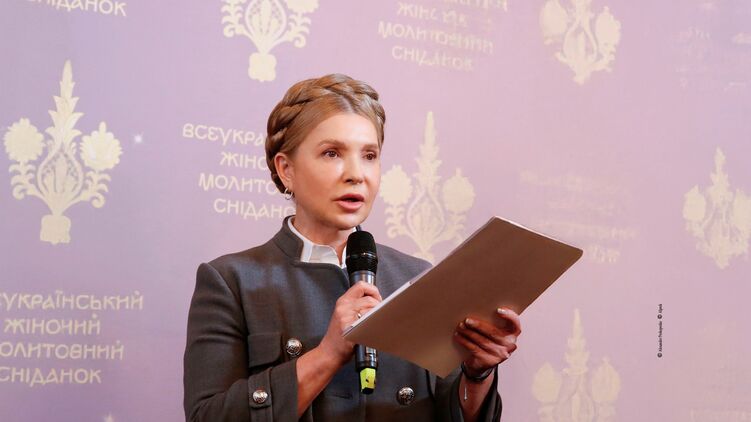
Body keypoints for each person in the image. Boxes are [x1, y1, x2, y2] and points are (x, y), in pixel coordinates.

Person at [183, 74, 522, 421]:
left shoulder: (418, 277)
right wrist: (328, 353)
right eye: (332, 153)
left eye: (369, 155)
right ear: (286, 170)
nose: (356, 174)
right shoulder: (231, 281)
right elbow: (208, 416)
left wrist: (477, 373)